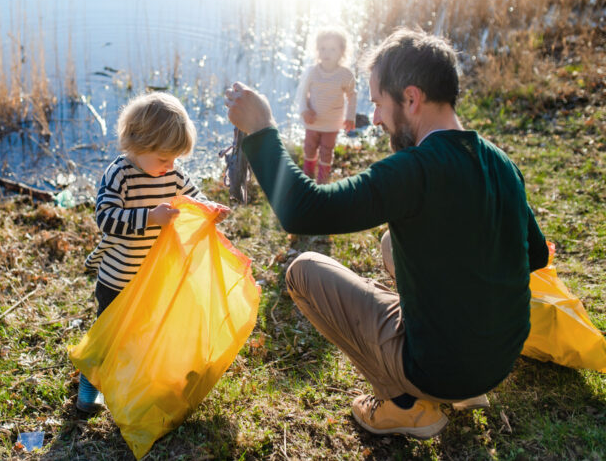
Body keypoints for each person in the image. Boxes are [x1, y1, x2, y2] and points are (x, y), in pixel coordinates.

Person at [224, 28, 548, 438]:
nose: (375, 118)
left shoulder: (414, 170)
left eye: (378, 103)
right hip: (498, 361)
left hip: (440, 370)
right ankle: (466, 386)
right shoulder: (501, 162)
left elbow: (304, 210)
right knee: (392, 244)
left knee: (303, 271)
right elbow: (536, 255)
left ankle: (404, 405)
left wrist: (262, 129)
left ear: (411, 99)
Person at [77, 92, 229, 413]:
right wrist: (149, 217)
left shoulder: (172, 174)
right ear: (139, 144)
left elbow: (193, 197)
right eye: (164, 159)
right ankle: (90, 382)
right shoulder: (120, 175)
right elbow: (106, 219)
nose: (171, 166)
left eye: (175, 159)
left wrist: (208, 208)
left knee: (145, 329)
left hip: (153, 277)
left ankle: (134, 375)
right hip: (118, 279)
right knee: (108, 331)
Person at [295, 27, 357, 184]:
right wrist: (304, 110)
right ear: (317, 50)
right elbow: (302, 93)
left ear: (342, 52)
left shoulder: (345, 74)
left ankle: (322, 183)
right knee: (309, 147)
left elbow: (352, 95)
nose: (326, 53)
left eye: (332, 49)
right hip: (313, 121)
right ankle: (307, 178)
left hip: (332, 123)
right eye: (322, 48)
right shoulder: (312, 72)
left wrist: (350, 117)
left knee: (326, 151)